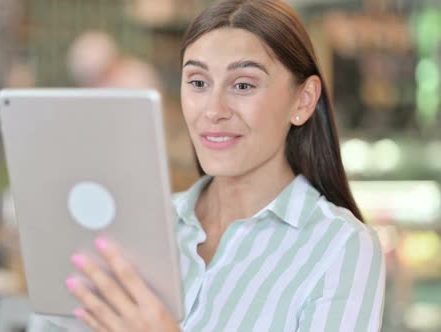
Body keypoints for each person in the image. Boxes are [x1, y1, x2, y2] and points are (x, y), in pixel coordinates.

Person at [44, 0, 386, 331]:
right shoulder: (136, 228)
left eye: (242, 85)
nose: (213, 110)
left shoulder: (340, 246)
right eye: (197, 83)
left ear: (304, 99)